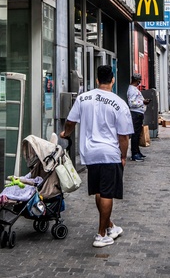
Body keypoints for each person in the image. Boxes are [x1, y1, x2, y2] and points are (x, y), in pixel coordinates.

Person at [60, 65, 134, 248]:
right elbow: (124, 136)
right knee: (107, 193)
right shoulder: (119, 103)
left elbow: (70, 121)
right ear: (113, 80)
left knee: (100, 191)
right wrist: (123, 156)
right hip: (110, 153)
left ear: (97, 80)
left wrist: (65, 133)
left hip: (90, 153)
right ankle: (101, 235)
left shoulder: (83, 98)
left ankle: (109, 226)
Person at [127, 73, 150, 161]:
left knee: (137, 133)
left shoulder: (134, 89)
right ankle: (134, 154)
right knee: (135, 134)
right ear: (137, 81)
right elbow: (131, 103)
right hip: (136, 114)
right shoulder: (132, 90)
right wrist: (143, 102)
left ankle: (137, 151)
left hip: (138, 113)